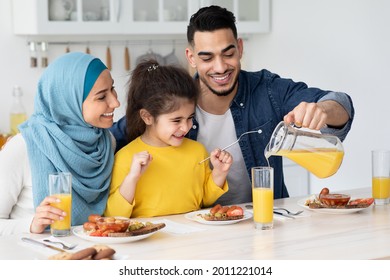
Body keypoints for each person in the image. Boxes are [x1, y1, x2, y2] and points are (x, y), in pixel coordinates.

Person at [110, 5, 354, 205]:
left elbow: (341, 104)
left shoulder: (268, 90)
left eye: (228, 54)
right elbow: (114, 138)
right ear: (191, 58)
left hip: (268, 221)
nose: (219, 67)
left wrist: (322, 110)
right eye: (207, 57)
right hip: (200, 229)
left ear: (240, 48)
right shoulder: (172, 100)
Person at [0, 52, 120, 235]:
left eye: (113, 89)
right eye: (102, 97)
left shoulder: (106, 143)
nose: (116, 102)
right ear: (67, 102)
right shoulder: (23, 147)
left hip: (90, 253)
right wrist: (31, 224)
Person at [104, 60, 232, 218]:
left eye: (190, 117)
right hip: (149, 240)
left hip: (194, 238)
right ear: (148, 117)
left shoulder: (197, 151)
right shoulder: (125, 159)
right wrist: (132, 177)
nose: (185, 127)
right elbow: (114, 216)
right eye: (176, 120)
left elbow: (204, 200)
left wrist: (219, 173)